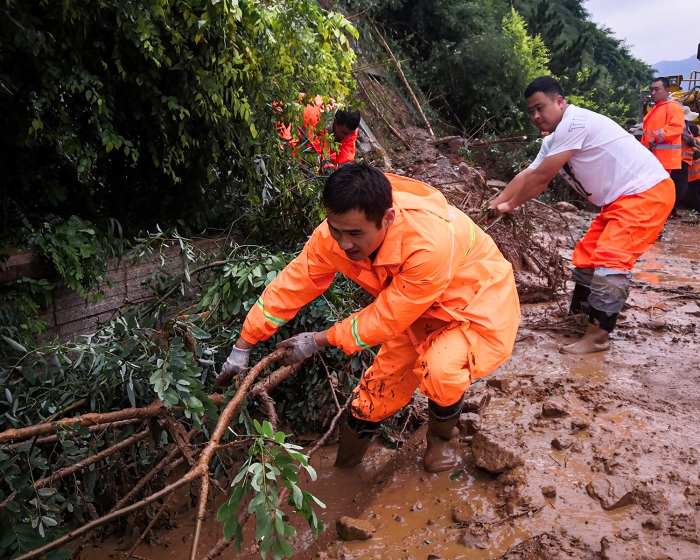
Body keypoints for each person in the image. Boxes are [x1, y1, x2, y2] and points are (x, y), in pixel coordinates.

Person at [219, 163, 520, 473]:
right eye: (336, 229)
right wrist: (243, 345)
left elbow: (386, 319)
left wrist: (317, 340)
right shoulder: (333, 236)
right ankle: (345, 469)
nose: (344, 243)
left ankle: (442, 438)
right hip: (412, 308)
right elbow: (293, 283)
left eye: (355, 234)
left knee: (440, 370)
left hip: (473, 303)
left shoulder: (429, 243)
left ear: (387, 218)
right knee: (371, 397)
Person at [490, 76, 674, 355]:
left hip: (646, 193)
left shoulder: (574, 124)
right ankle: (582, 317)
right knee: (588, 257)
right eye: (531, 111)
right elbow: (526, 173)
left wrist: (511, 205)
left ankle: (598, 336)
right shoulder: (554, 139)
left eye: (541, 107)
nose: (536, 116)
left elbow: (541, 178)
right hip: (619, 201)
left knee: (611, 259)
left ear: (560, 102)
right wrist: (495, 203)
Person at [642, 77, 686, 218]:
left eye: (657, 89)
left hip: (663, 159)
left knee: (657, 193)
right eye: (651, 89)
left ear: (667, 90)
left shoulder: (672, 107)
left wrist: (656, 137)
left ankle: (655, 223)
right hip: (654, 158)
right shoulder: (658, 108)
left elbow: (676, 127)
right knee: (653, 192)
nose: (653, 93)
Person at [279, 96, 360, 171]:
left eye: (349, 133)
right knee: (290, 153)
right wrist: (328, 170)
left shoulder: (350, 128)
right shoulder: (319, 120)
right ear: (335, 121)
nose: (345, 136)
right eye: (343, 132)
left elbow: (347, 153)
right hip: (286, 115)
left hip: (309, 134)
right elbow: (320, 154)